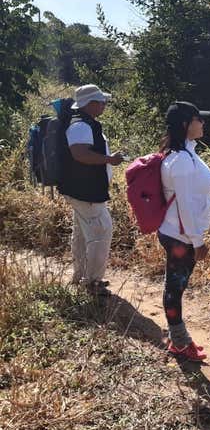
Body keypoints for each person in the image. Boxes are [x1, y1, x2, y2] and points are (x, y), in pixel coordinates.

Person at [158, 101, 210, 361]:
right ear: (185, 124)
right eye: (197, 119)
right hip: (180, 235)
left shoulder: (187, 152)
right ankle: (179, 343)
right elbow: (185, 207)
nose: (202, 123)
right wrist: (197, 240)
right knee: (175, 287)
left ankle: (177, 337)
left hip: (182, 233)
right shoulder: (180, 160)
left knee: (176, 285)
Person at [60, 84, 124, 296]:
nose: (104, 104)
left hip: (82, 190)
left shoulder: (86, 124)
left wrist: (108, 159)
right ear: (90, 103)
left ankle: (80, 277)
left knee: (81, 233)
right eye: (101, 101)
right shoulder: (81, 126)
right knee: (101, 232)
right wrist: (110, 160)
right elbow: (80, 154)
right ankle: (93, 282)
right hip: (86, 192)